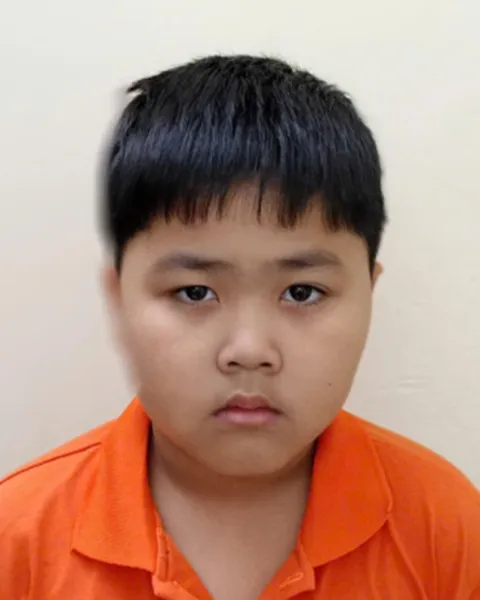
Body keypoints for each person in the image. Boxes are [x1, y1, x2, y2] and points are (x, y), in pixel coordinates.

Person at [1, 55, 479, 600]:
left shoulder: (447, 529)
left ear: (369, 294)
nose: (249, 350)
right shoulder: (18, 540)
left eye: (302, 292)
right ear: (119, 299)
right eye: (194, 292)